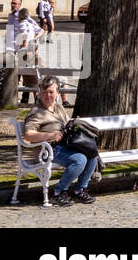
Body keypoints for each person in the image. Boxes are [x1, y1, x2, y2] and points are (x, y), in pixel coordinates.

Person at [22, 76, 97, 206]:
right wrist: (50, 135)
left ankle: (80, 190)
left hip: (65, 146)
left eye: (51, 92)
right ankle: (58, 192)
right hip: (47, 150)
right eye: (44, 92)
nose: (47, 95)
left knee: (92, 154)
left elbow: (68, 123)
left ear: (57, 93)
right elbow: (28, 135)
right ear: (39, 92)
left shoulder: (58, 108)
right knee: (79, 160)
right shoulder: (35, 112)